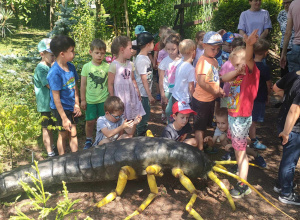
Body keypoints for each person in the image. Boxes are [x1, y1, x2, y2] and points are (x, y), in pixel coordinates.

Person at [220, 29, 260, 198]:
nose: (237, 68)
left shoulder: (251, 74)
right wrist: (236, 70)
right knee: (238, 150)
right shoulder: (238, 75)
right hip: (233, 117)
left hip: (241, 118)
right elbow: (224, 78)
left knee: (241, 152)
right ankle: (240, 169)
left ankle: (243, 185)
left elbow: (249, 58)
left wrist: (249, 45)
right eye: (234, 65)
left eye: (239, 65)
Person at [47, 35, 82, 155]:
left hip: (71, 106)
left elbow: (75, 87)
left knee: (73, 132)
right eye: (71, 51)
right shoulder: (55, 73)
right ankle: (62, 161)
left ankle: (75, 157)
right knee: (63, 134)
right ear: (62, 54)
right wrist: (63, 118)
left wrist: (77, 104)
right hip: (60, 109)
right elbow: (56, 98)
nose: (74, 53)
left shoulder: (71, 67)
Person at [191, 31, 225, 151]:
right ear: (204, 45)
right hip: (201, 100)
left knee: (205, 124)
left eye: (218, 49)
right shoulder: (203, 61)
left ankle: (203, 146)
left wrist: (218, 89)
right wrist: (215, 91)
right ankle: (200, 150)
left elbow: (213, 79)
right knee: (199, 127)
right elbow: (201, 82)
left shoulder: (214, 61)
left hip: (210, 99)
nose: (216, 51)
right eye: (213, 49)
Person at [107, 36, 145, 136]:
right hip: (120, 98)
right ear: (122, 50)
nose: (132, 51)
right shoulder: (114, 65)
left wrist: (137, 92)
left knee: (132, 116)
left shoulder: (130, 64)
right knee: (121, 118)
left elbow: (132, 79)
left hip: (130, 96)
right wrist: (112, 98)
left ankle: (130, 137)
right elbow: (110, 83)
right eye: (130, 48)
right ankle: (120, 138)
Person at [273, 70, 300, 205]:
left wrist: (287, 100)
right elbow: (294, 110)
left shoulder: (294, 74)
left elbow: (276, 88)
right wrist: (287, 132)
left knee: (287, 158)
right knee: (290, 161)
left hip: (283, 121)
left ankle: (281, 184)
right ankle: (286, 193)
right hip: (292, 129)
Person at [80, 39, 109, 150]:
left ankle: (102, 138)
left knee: (103, 121)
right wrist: (83, 100)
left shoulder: (107, 67)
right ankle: (88, 139)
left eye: (102, 53)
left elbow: (110, 83)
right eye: (97, 53)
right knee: (90, 121)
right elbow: (83, 85)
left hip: (103, 99)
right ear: (90, 52)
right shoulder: (86, 67)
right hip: (90, 100)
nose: (99, 56)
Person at [33, 38, 57, 157]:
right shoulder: (41, 68)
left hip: (52, 103)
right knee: (46, 128)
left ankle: (52, 147)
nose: (54, 58)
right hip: (45, 105)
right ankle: (50, 153)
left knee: (51, 127)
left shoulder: (49, 66)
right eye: (52, 55)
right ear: (42, 54)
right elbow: (50, 85)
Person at [249, 38, 272, 150]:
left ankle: (251, 136)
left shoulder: (250, 65)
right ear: (265, 52)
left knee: (250, 118)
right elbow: (268, 84)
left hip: (249, 96)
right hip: (259, 97)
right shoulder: (264, 68)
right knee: (253, 120)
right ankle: (253, 140)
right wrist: (269, 95)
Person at [135, 32, 155, 136]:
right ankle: (140, 134)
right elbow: (143, 79)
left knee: (145, 113)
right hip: (143, 93)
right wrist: (149, 95)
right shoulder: (142, 60)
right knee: (143, 115)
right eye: (153, 43)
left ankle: (142, 132)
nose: (154, 45)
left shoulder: (144, 57)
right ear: (148, 44)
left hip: (145, 92)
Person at [158, 34, 182, 124]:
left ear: (178, 47)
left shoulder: (182, 60)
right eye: (168, 49)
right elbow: (161, 79)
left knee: (178, 111)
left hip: (179, 90)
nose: (171, 52)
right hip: (168, 90)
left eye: (173, 49)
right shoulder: (164, 62)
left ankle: (178, 129)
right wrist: (162, 94)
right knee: (168, 111)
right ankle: (171, 128)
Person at [219, 37, 245, 108]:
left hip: (241, 95)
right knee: (226, 114)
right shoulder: (227, 64)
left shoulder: (245, 66)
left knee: (235, 114)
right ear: (232, 49)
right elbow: (221, 77)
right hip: (227, 93)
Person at [172, 39, 196, 104]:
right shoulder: (191, 69)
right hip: (183, 100)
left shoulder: (179, 63)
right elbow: (191, 87)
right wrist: (194, 99)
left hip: (175, 96)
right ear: (193, 52)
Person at [280, 0, 300, 73]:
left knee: (295, 79)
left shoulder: (294, 4)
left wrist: (283, 53)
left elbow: (288, 32)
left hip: (296, 47)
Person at [277, 0, 294, 77]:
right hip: (284, 45)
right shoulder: (281, 14)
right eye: (284, 3)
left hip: (296, 46)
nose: (286, 5)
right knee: (284, 71)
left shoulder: (297, 12)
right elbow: (283, 31)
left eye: (288, 2)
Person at [153, 25, 169, 101]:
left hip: (170, 71)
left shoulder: (173, 49)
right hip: (161, 69)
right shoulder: (159, 47)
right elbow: (156, 55)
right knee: (159, 80)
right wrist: (154, 64)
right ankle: (159, 93)